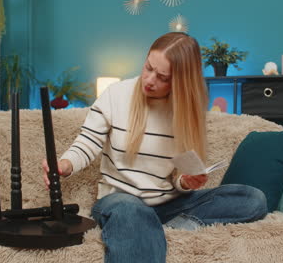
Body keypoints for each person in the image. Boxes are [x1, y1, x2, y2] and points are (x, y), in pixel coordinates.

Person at [42, 32, 267, 263]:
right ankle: (152, 228)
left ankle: (161, 227)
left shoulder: (187, 111)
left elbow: (178, 176)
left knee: (252, 198)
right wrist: (64, 164)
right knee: (130, 209)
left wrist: (186, 182)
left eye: (162, 77)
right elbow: (86, 143)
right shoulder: (116, 95)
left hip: (168, 205)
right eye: (148, 67)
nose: (150, 80)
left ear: (180, 82)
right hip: (119, 202)